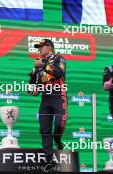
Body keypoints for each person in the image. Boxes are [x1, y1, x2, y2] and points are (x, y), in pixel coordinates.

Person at [28, 39, 68, 172]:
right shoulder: (38, 65)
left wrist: (43, 65)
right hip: (45, 98)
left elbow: (59, 73)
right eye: (38, 47)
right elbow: (33, 91)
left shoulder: (59, 58)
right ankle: (49, 160)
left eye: (41, 47)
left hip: (58, 95)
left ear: (49, 47)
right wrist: (33, 74)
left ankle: (57, 139)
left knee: (59, 124)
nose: (39, 49)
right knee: (44, 129)